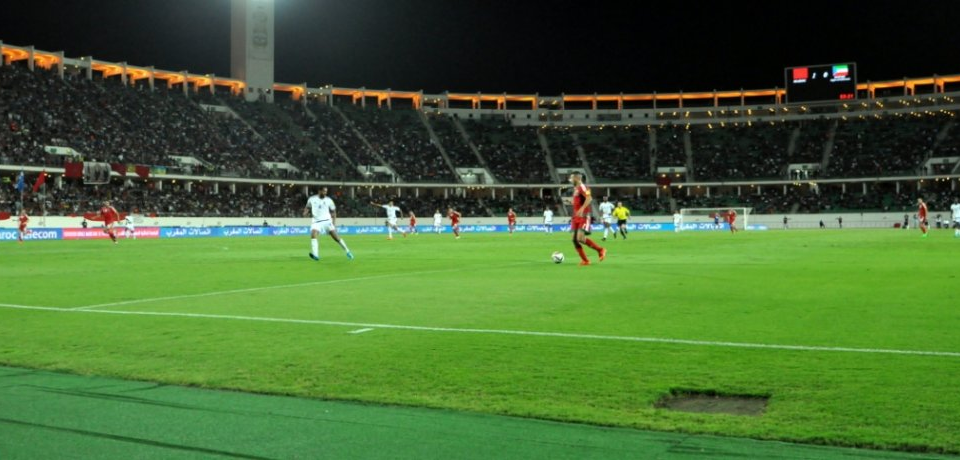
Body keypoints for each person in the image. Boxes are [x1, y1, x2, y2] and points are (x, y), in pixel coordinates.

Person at [304, 187, 353, 261]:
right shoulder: (312, 199)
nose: (325, 193)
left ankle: (348, 251)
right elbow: (307, 207)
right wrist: (305, 212)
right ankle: (316, 255)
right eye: (323, 191)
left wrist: (334, 223)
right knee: (313, 235)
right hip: (316, 221)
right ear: (319, 191)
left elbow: (333, 212)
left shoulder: (329, 200)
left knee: (336, 238)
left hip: (327, 221)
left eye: (326, 192)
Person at [568, 172, 606, 266]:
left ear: (576, 178)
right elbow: (579, 202)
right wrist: (572, 202)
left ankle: (600, 250)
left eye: (571, 178)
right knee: (574, 239)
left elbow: (589, 198)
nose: (570, 180)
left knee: (580, 238)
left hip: (584, 215)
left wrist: (581, 209)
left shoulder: (583, 187)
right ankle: (585, 261)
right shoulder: (576, 189)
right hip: (575, 217)